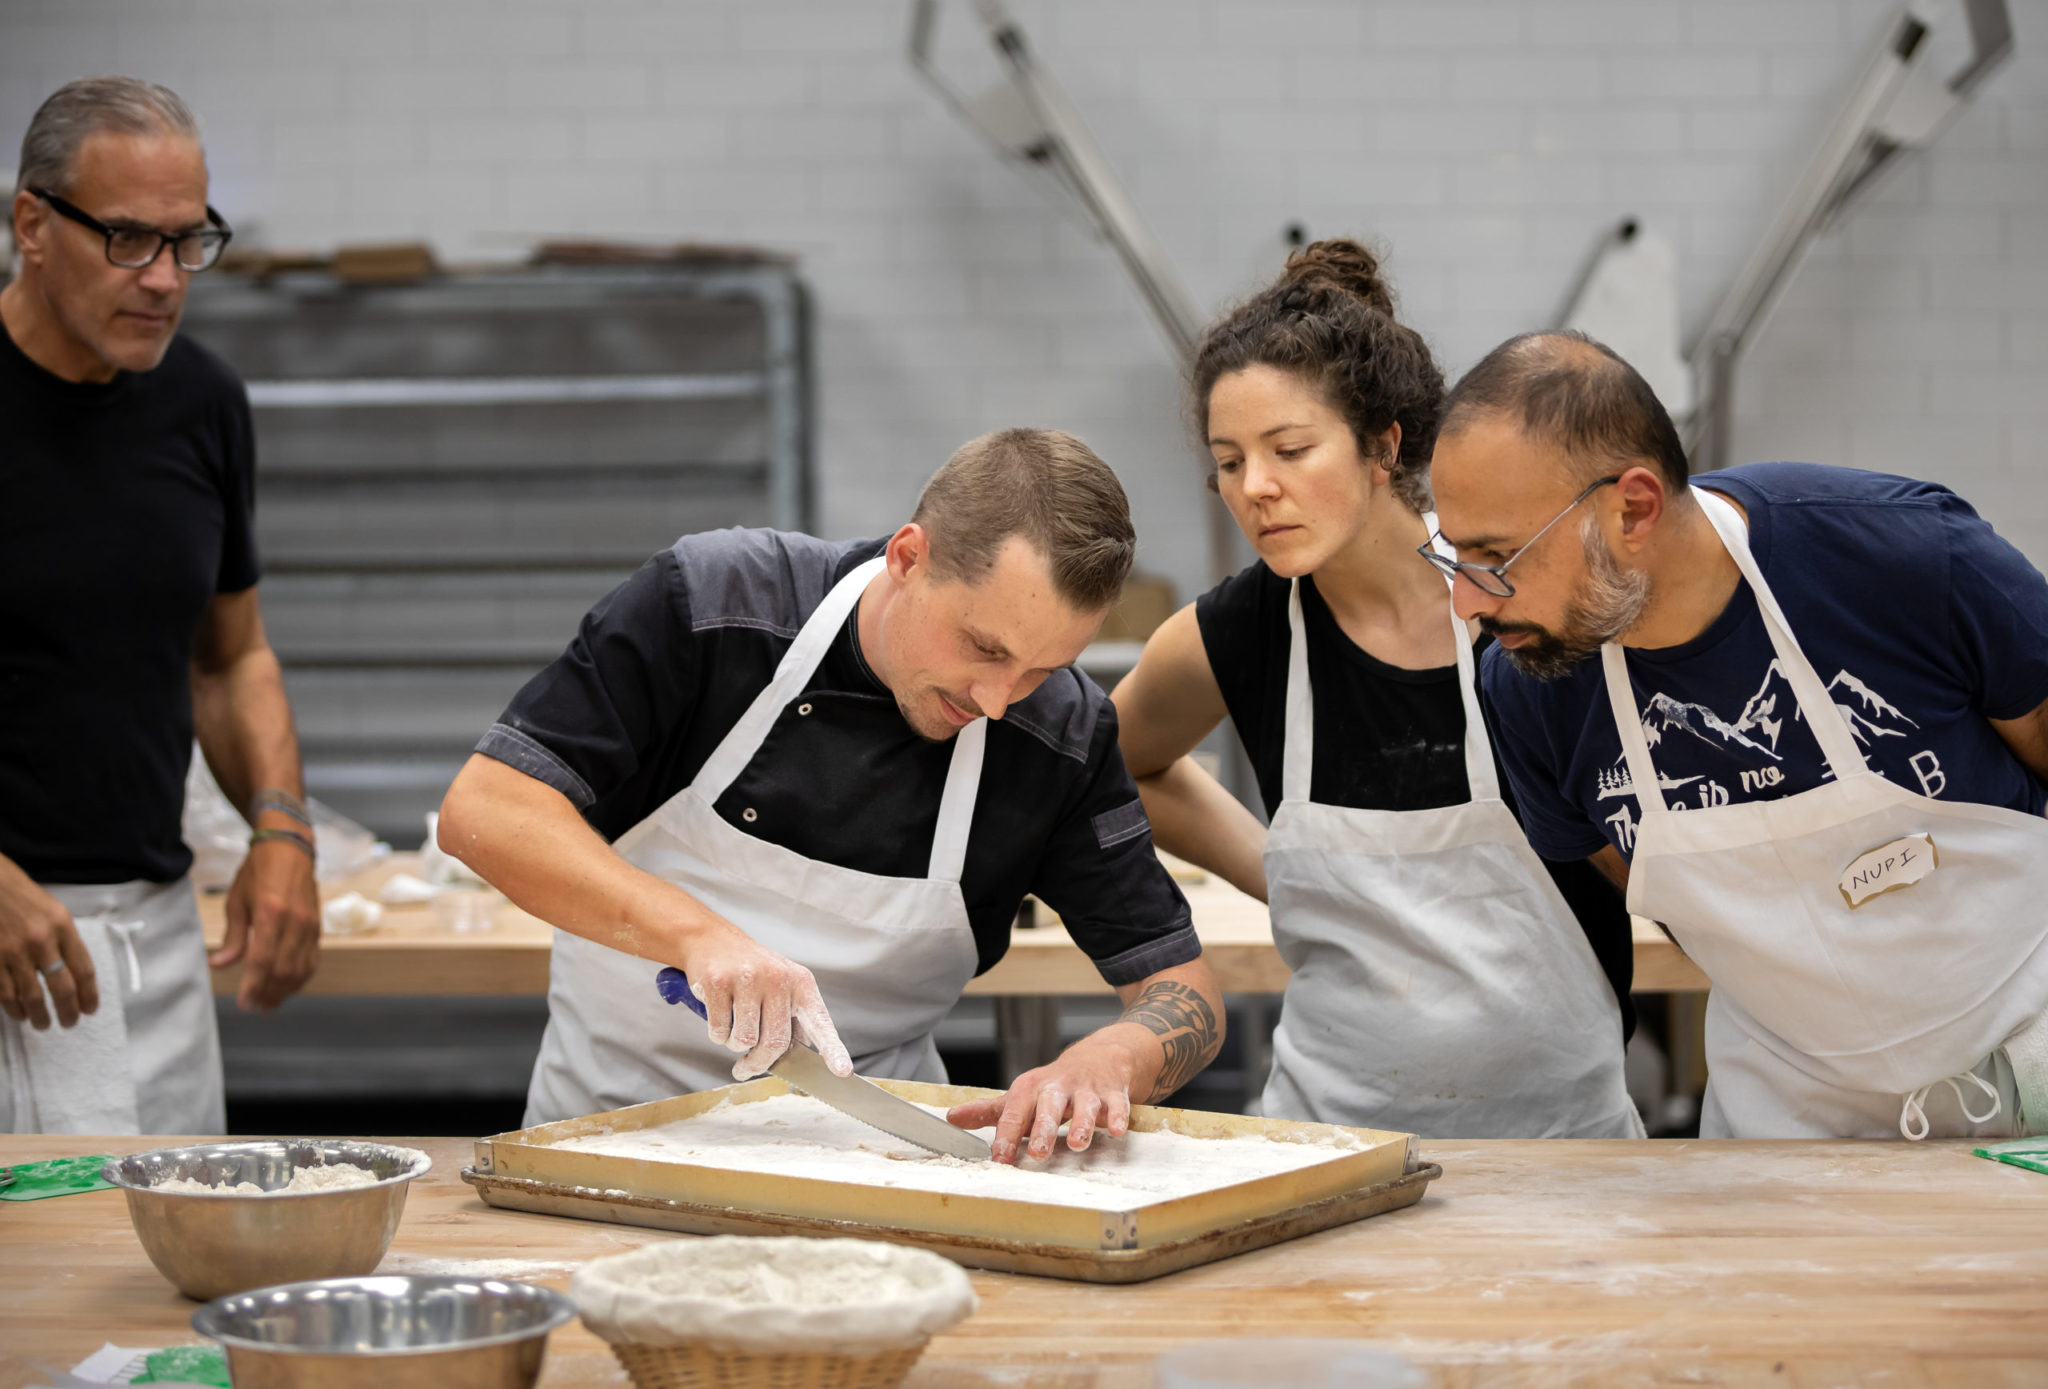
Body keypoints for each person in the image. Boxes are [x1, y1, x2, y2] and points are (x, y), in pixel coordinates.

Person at [438, 428, 1224, 1165]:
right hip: (608, 1139)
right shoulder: (715, 608)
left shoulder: (1061, 736)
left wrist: (1112, 1057)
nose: (997, 700)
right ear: (909, 556)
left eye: (1040, 670)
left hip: (879, 1163)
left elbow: (1183, 991)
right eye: (984, 648)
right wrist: (700, 936)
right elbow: (487, 811)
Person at [1426, 330, 2048, 1140]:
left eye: (1498, 557)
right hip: (1786, 1126)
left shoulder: (1905, 559)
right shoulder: (1534, 689)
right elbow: (1670, 901)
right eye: (1454, 556)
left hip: (2029, 1068)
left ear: (1635, 509)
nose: (1469, 604)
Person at [1110, 241, 1638, 1138]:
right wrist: (1274, 870)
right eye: (1229, 462)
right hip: (1330, 1147)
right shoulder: (1237, 634)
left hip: (1568, 1158)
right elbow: (1117, 763)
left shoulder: (1524, 612)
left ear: (1383, 446)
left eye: (1290, 448)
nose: (1257, 489)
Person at [1, 78, 321, 1134]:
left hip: (147, 939)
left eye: (189, 243)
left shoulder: (202, 402)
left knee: (155, 1279)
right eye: (130, 240)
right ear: (32, 225)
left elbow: (228, 657)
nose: (164, 281)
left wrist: (281, 833)